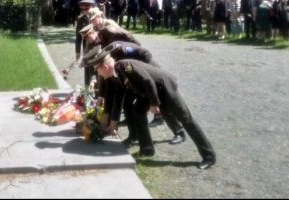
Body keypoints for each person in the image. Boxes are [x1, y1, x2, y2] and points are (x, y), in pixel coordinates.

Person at [83, 47, 216, 170]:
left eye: (98, 69)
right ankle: (147, 149)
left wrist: (154, 103)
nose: (97, 73)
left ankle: (209, 156)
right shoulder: (115, 75)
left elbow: (147, 80)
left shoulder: (126, 66)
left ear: (105, 66)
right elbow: (117, 99)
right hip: (148, 93)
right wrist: (112, 122)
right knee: (138, 111)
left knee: (187, 120)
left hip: (164, 89)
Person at [84, 43, 186, 148]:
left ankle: (178, 131)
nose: (97, 71)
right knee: (127, 105)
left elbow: (144, 53)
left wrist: (145, 70)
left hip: (145, 73)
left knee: (162, 104)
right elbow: (110, 90)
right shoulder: (105, 64)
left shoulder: (117, 50)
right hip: (128, 80)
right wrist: (106, 112)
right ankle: (134, 135)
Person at [75, 0, 96, 86]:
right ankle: (87, 92)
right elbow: (78, 36)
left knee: (96, 71)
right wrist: (77, 52)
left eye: (86, 10)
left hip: (96, 49)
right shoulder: (81, 19)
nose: (84, 12)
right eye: (82, 10)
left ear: (91, 8)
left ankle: (98, 94)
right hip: (86, 48)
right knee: (87, 69)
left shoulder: (97, 17)